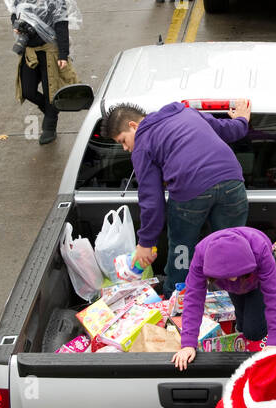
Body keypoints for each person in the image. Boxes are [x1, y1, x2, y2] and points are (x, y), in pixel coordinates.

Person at [103, 98, 251, 297]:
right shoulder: (187, 112)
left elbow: (151, 198)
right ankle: (233, 299)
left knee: (182, 250)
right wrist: (242, 120)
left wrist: (145, 243)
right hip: (233, 184)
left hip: (189, 194)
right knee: (230, 247)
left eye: (122, 141)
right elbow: (229, 130)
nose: (124, 148)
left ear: (133, 125)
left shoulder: (142, 144)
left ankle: (176, 299)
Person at [172, 227, 276, 365]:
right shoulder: (201, 257)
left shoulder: (260, 250)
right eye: (227, 277)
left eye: (237, 274)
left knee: (255, 333)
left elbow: (273, 294)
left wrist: (275, 341)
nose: (233, 280)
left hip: (256, 281)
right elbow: (193, 299)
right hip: (236, 282)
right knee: (242, 325)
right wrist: (188, 344)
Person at [6, 0, 80, 145]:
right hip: (29, 51)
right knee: (28, 90)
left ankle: (49, 127)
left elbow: (62, 27)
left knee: (51, 91)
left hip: (49, 51)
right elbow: (14, 16)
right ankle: (50, 110)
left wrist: (63, 55)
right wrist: (16, 25)